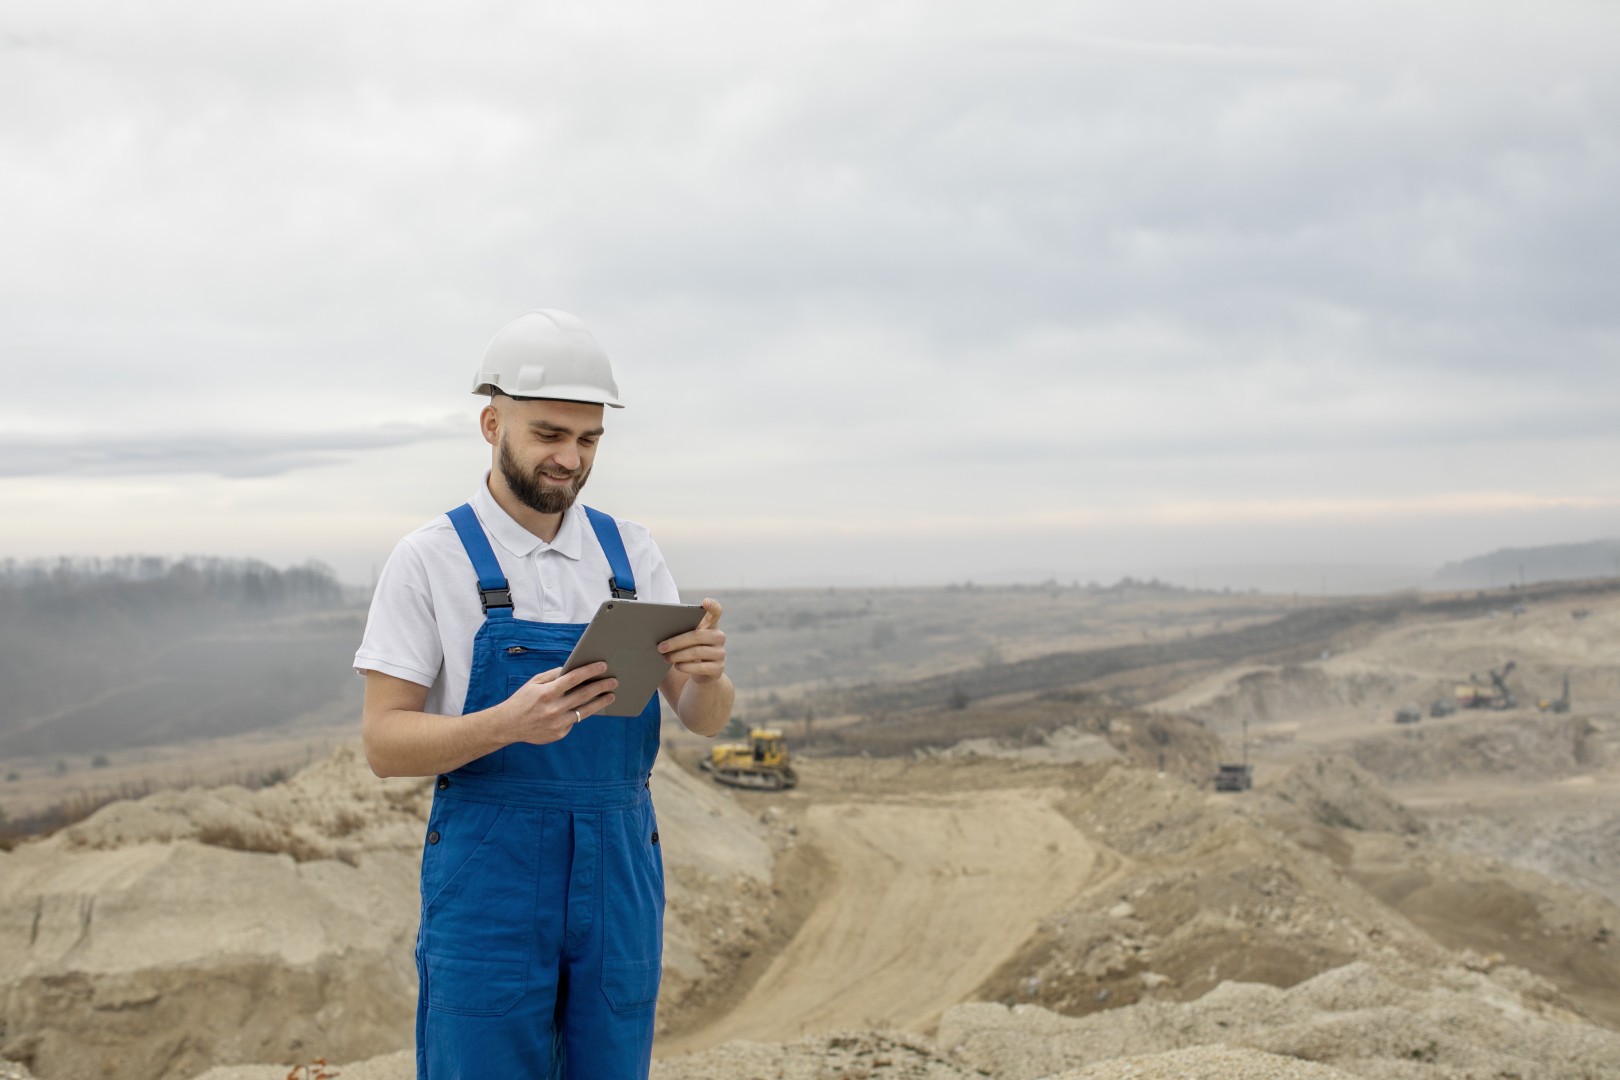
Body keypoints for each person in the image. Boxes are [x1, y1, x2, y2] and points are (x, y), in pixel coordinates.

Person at [353, 309, 734, 1079]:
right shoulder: (430, 559)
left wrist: (709, 675)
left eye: (588, 440)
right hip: (491, 867)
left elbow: (701, 720)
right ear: (492, 422)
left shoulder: (630, 552)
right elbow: (384, 744)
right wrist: (504, 724)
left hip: (621, 858)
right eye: (549, 435)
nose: (571, 458)